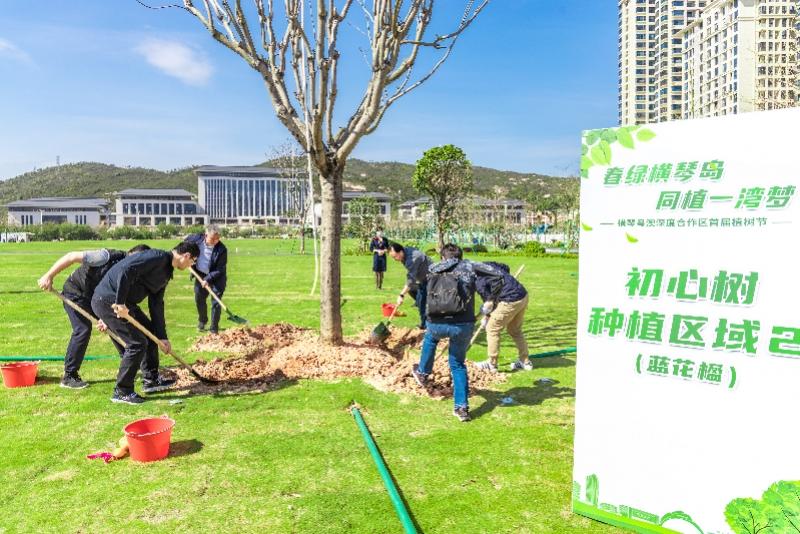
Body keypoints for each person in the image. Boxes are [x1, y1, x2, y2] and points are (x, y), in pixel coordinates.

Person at [91, 241, 199, 405]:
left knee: (150, 333)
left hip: (125, 304)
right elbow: (126, 270)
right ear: (187, 256)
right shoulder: (157, 257)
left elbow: (156, 305)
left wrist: (162, 337)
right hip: (108, 300)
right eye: (193, 261)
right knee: (137, 343)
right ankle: (122, 391)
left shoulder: (166, 271)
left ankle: (151, 380)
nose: (191, 265)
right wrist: (120, 303)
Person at [410, 244, 505, 422]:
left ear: (443, 256)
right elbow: (498, 275)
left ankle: (423, 372)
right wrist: (491, 300)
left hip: (436, 322)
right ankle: (461, 409)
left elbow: (420, 287)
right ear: (460, 256)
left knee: (430, 339)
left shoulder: (433, 268)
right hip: (463, 324)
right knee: (457, 364)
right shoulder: (469, 265)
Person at [37, 244, 151, 389]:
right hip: (76, 294)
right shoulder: (105, 257)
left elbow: (115, 295)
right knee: (82, 329)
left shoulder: (131, 272)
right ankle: (69, 375)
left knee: (115, 323)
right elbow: (71, 256)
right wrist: (49, 275)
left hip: (98, 298)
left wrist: (104, 318)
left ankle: (129, 362)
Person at [474, 261, 531, 373]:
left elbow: (489, 302)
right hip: (522, 295)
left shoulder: (478, 281)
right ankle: (525, 362)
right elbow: (505, 267)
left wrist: (486, 316)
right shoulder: (486, 264)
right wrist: (507, 281)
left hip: (509, 300)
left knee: (492, 329)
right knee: (515, 330)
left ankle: (491, 364)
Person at [185, 225, 227, 334]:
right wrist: (186, 259)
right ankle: (202, 321)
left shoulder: (222, 249)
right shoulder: (196, 239)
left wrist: (207, 279)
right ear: (206, 234)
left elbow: (219, 269)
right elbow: (184, 244)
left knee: (216, 303)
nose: (215, 241)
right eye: (212, 238)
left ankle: (214, 328)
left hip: (217, 278)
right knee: (199, 299)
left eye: (217, 239)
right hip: (200, 274)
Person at [388, 242, 433, 330]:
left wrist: (401, 295)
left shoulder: (412, 258)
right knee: (420, 301)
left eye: (395, 256)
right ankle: (425, 324)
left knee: (423, 302)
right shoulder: (405, 254)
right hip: (423, 279)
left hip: (431, 279)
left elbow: (410, 279)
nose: (394, 259)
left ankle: (429, 325)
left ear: (400, 252)